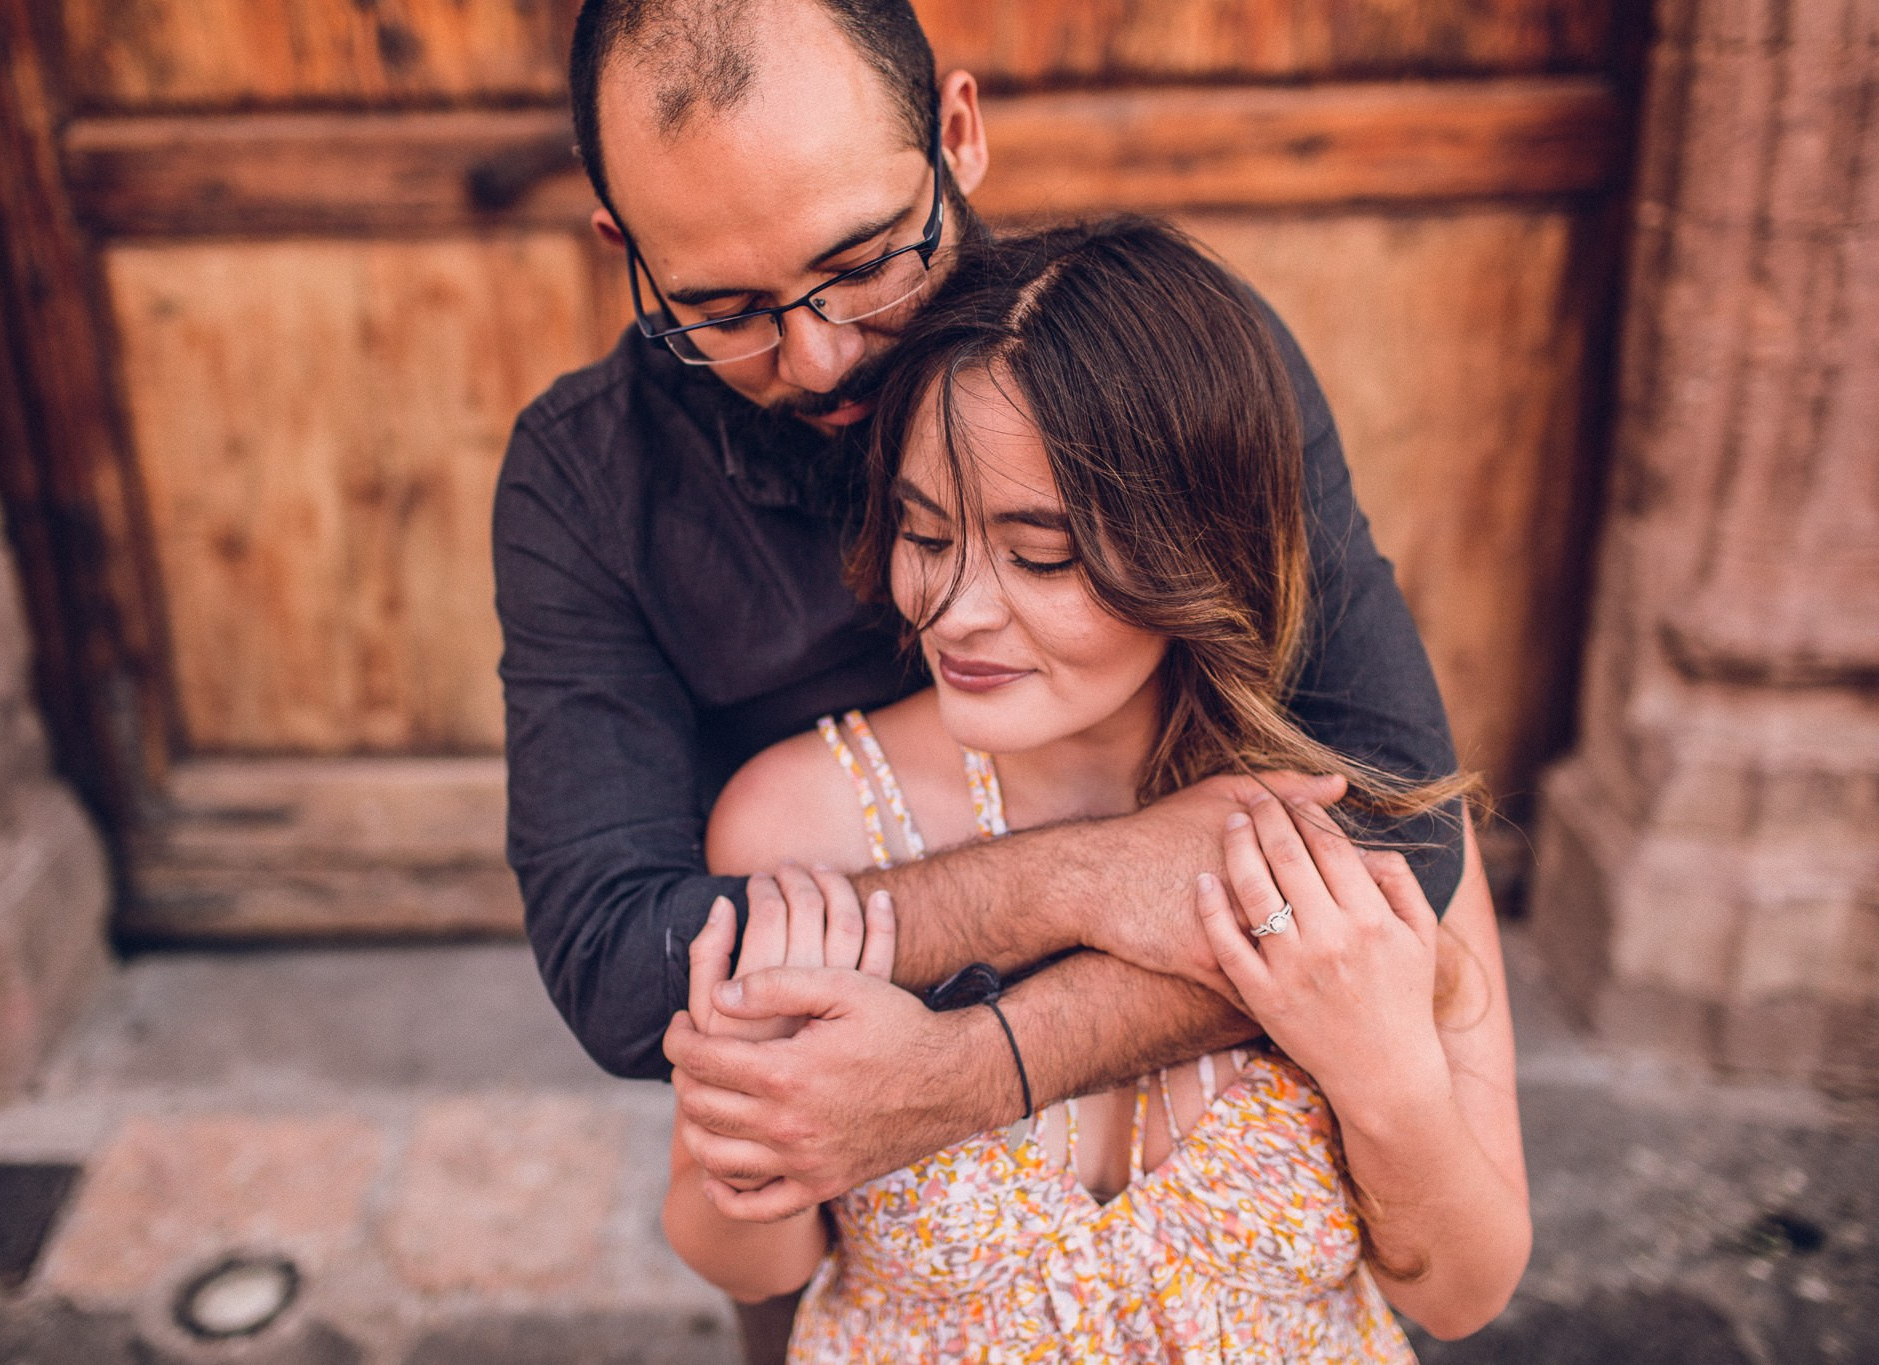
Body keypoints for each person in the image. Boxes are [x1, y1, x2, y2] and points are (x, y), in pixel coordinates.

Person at [496, 0, 1464, 1348]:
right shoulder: (584, 479)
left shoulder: (1171, 366)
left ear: (959, 132)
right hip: (858, 1227)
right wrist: (1076, 875)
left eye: (862, 263)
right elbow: (618, 963)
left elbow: (1399, 839)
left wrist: (967, 1072)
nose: (823, 355)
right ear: (627, 252)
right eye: (723, 310)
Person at [661, 218, 1530, 1359]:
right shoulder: (798, 822)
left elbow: (1460, 1294)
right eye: (925, 534)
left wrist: (1385, 1076)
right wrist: (757, 1141)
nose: (955, 611)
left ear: (1198, 548)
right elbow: (751, 1259)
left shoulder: (1369, 819)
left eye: (1042, 556)